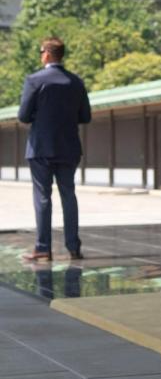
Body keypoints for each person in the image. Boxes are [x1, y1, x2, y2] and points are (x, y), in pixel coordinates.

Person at [18, 37, 91, 263]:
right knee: (69, 195)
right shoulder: (76, 82)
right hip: (69, 147)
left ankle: (43, 248)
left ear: (47, 54)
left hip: (41, 147)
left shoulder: (35, 80)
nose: (41, 55)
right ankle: (73, 247)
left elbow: (23, 115)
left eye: (41, 51)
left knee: (42, 197)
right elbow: (85, 117)